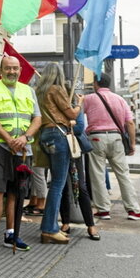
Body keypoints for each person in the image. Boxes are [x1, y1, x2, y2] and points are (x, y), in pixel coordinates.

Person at [0, 56, 42, 253]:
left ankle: (11, 234)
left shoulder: (29, 90)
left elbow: (37, 118)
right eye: (8, 68)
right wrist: (8, 139)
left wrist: (25, 137)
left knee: (16, 192)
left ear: (20, 70)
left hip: (23, 150)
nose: (11, 72)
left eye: (15, 68)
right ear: (1, 69)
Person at [83, 72, 140, 222]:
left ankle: (103, 210)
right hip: (116, 138)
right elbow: (130, 123)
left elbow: (78, 115)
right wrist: (132, 143)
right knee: (123, 174)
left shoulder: (89, 99)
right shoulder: (120, 99)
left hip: (96, 138)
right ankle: (133, 210)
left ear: (96, 84)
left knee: (97, 174)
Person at [35, 63, 79, 244]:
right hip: (59, 134)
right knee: (58, 184)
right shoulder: (56, 89)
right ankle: (49, 229)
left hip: (45, 135)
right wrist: (79, 104)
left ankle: (50, 225)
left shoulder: (38, 92)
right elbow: (72, 115)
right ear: (59, 75)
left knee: (54, 183)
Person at [59, 81, 100, 241]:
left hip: (74, 149)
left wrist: (68, 122)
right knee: (62, 187)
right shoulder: (57, 106)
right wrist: (69, 123)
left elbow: (78, 128)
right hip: (61, 149)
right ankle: (65, 222)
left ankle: (90, 225)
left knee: (81, 186)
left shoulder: (76, 107)